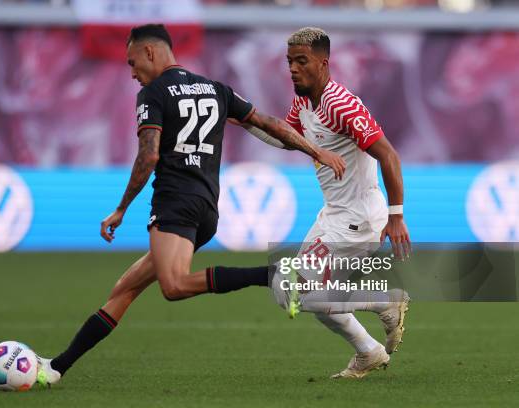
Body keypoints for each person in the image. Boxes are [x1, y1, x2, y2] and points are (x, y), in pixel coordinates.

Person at [36, 23, 346, 386]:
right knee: (125, 288)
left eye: (133, 62)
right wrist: (315, 150)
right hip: (206, 207)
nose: (132, 72)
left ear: (151, 52)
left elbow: (149, 156)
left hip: (175, 202)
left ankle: (272, 274)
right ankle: (57, 367)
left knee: (174, 286)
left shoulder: (153, 94)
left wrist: (121, 208)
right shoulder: (216, 89)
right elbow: (270, 123)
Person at [244, 27, 411, 379]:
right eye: (290, 61)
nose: (292, 68)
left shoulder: (341, 104)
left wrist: (396, 216)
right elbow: (287, 140)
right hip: (334, 215)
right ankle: (369, 351)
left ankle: (385, 301)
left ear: (323, 63)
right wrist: (244, 118)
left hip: (356, 218)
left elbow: (389, 156)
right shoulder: (304, 100)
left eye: (301, 61)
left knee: (294, 290)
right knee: (311, 298)